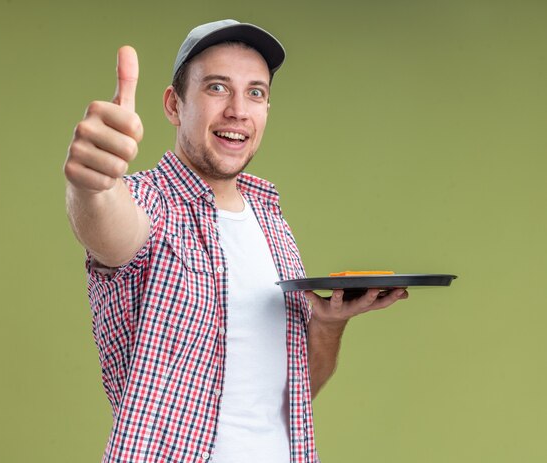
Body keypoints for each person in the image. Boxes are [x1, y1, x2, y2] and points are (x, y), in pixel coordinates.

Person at [64, 19, 408, 463]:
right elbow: (108, 228)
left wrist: (327, 323)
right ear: (174, 104)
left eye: (256, 92)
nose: (238, 110)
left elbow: (290, 397)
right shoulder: (149, 202)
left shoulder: (271, 221)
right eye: (217, 88)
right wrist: (92, 184)